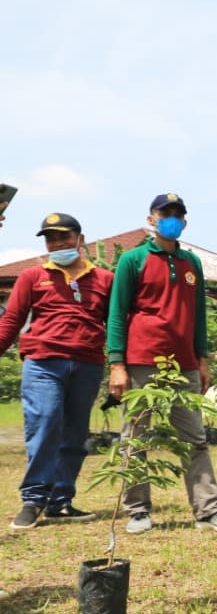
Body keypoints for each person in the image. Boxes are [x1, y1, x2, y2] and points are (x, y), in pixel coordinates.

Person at [106, 193, 217, 534]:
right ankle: (137, 511)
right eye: (165, 213)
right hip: (142, 361)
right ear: (151, 219)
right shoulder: (133, 260)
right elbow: (117, 314)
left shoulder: (191, 263)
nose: (172, 219)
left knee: (195, 437)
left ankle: (208, 511)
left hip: (185, 365)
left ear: (185, 221)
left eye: (178, 214)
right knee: (137, 436)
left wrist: (203, 360)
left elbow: (198, 318)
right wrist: (116, 364)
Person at [2, 213, 113, 529]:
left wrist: (122, 362)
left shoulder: (105, 279)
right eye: (50, 239)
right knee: (46, 423)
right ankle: (33, 499)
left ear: (80, 239)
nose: (57, 244)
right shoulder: (33, 276)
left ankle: (61, 501)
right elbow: (11, 321)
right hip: (43, 362)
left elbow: (117, 323)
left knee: (76, 434)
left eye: (63, 237)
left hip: (88, 364)